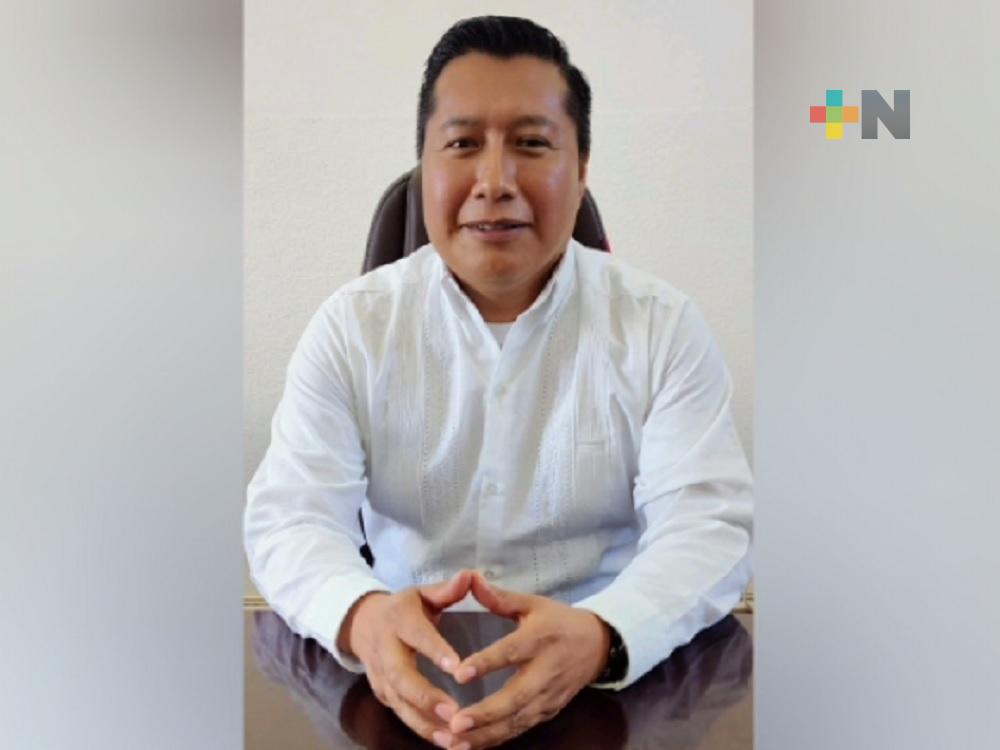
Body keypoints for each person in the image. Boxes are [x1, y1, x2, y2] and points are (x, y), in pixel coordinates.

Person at [244, 15, 753, 750]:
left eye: (532, 144)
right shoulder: (353, 328)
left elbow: (708, 527)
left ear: (581, 170)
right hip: (403, 685)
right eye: (462, 144)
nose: (494, 182)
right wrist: (362, 616)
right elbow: (288, 519)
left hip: (606, 691)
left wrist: (605, 632)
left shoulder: (660, 327)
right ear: (424, 167)